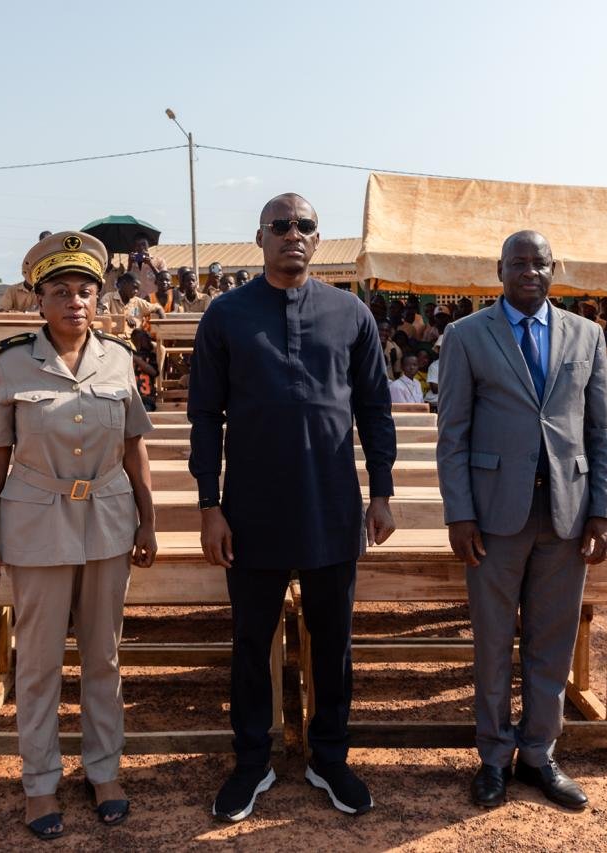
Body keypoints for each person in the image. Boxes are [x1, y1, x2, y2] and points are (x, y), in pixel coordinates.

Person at [190, 194, 396, 821]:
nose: (293, 234)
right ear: (260, 238)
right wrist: (209, 505)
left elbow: (374, 408)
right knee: (252, 643)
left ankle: (329, 757)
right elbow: (206, 416)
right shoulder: (226, 315)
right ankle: (252, 762)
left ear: (317, 237)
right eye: (280, 226)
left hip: (332, 507)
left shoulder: (350, 313)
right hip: (251, 512)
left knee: (333, 643)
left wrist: (381, 491)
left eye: (304, 225)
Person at [0, 231, 156, 840]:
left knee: (103, 657)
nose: (75, 301)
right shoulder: (10, 362)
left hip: (108, 521)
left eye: (84, 291)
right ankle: (40, 783)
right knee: (39, 662)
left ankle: (104, 771)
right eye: (60, 291)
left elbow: (133, 447)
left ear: (98, 299)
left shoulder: (119, 359)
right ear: (40, 300)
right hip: (36, 524)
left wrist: (149, 519)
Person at [436, 230, 607, 812]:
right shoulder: (466, 336)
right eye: (518, 262)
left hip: (567, 514)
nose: (529, 271)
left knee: (553, 641)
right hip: (493, 516)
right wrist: (460, 513)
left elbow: (602, 430)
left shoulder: (587, 335)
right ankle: (494, 756)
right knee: (493, 642)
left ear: (553, 269)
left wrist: (604, 510)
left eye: (539, 263)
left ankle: (539, 753)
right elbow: (452, 433)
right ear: (500, 270)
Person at [99, 273, 165, 331]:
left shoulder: (138, 302)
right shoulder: (109, 297)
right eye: (134, 287)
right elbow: (102, 314)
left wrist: (162, 322)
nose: (136, 291)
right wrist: (124, 318)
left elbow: (157, 307)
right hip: (114, 337)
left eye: (138, 289)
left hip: (134, 338)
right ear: (124, 284)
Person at [127, 232, 165, 298]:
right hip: (138, 300)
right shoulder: (133, 262)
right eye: (138, 245)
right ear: (135, 247)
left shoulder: (159, 261)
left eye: (143, 244)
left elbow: (163, 279)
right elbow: (127, 280)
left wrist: (151, 264)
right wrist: (130, 264)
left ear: (148, 245)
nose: (141, 247)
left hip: (153, 299)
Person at [130, 327, 158, 412]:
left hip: (146, 398)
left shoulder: (151, 355)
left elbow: (154, 372)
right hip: (131, 398)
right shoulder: (129, 354)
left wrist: (136, 359)